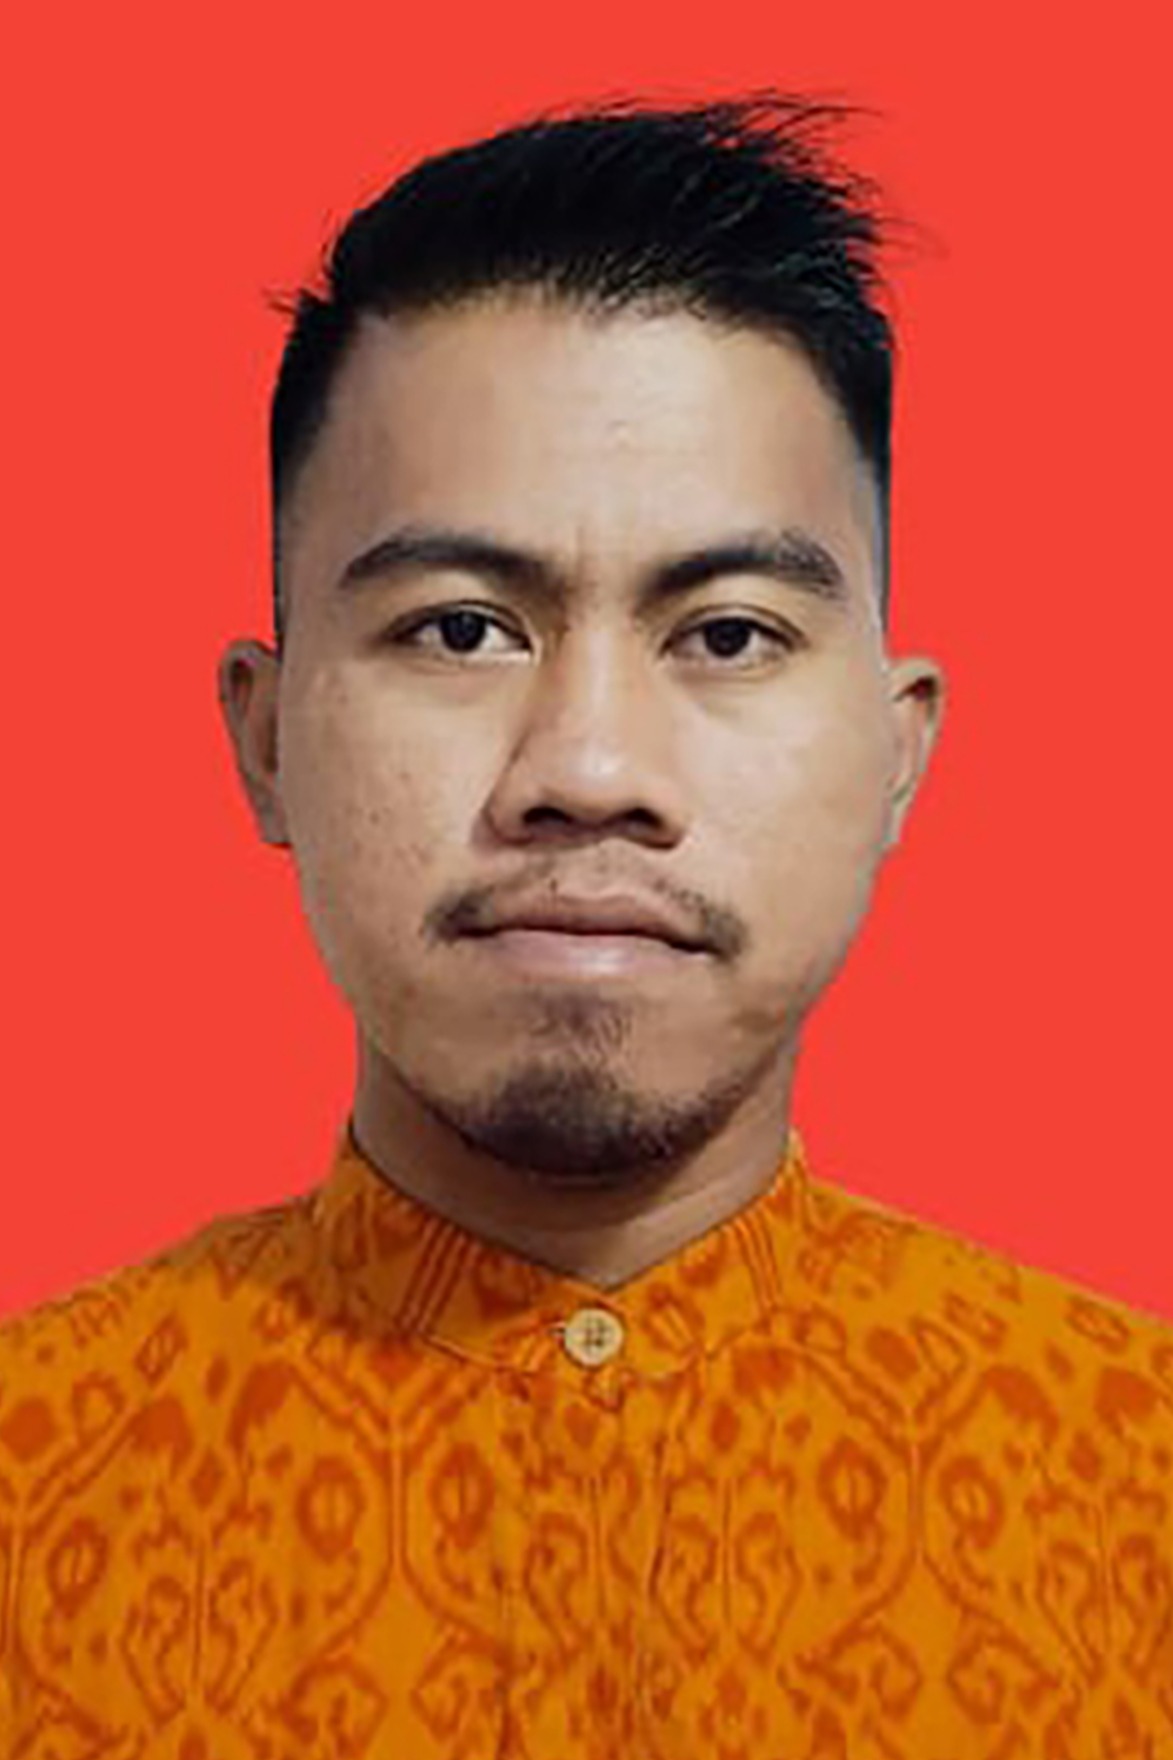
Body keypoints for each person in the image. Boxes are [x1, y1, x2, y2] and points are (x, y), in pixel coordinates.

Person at [1, 96, 1169, 1759]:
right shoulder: (32, 1485)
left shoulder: (1135, 1490)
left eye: (727, 634)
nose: (588, 771)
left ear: (896, 750)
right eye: (461, 629)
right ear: (264, 739)